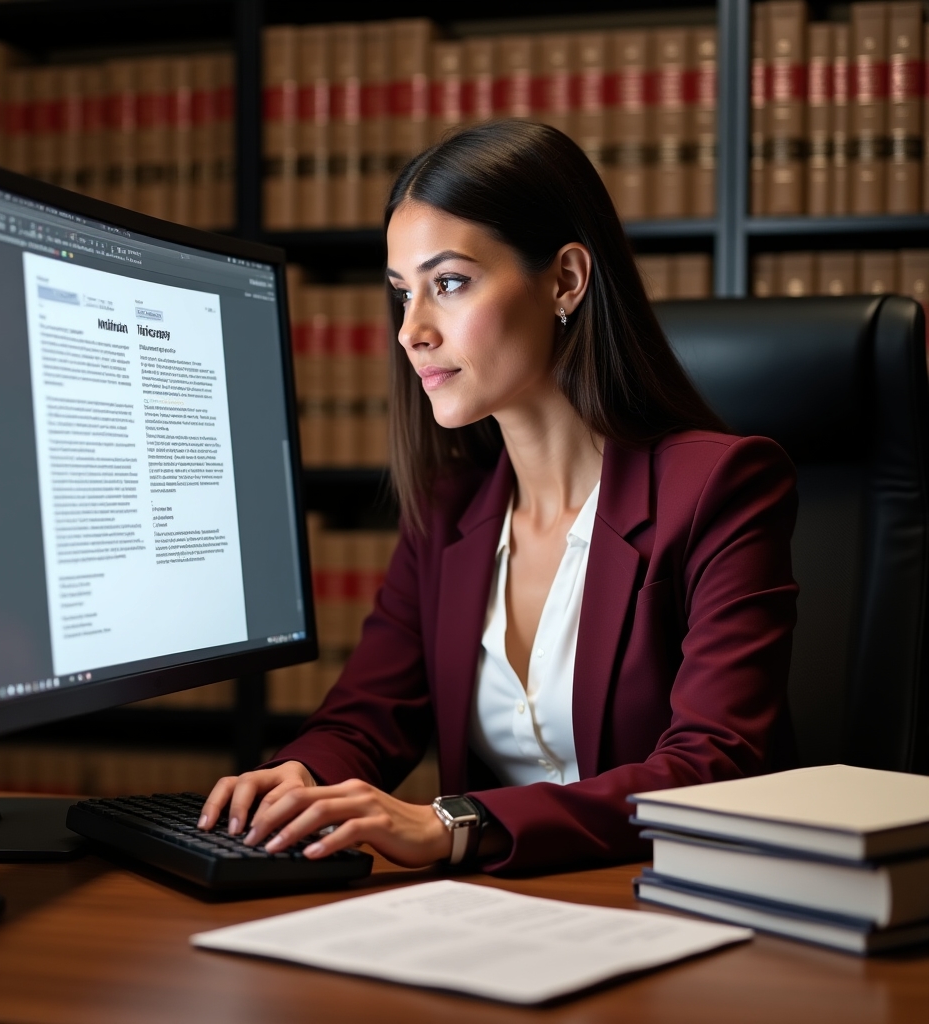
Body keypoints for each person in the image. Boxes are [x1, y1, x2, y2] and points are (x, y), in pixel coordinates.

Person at [199, 120, 798, 873]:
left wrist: (452, 823)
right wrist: (304, 776)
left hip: (679, 901)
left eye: (448, 283)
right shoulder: (450, 513)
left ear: (566, 281)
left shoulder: (722, 486)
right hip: (499, 916)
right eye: (401, 293)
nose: (411, 331)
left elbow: (712, 768)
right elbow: (369, 716)